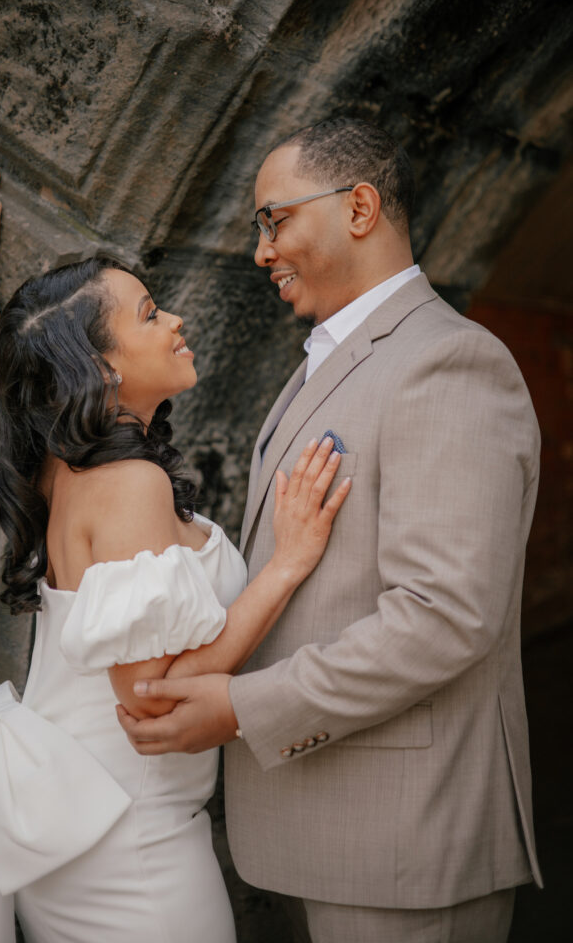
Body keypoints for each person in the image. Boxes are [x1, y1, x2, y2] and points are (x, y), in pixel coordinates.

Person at [116, 117, 543, 943]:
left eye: (274, 220)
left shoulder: (447, 361)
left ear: (358, 208)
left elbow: (443, 616)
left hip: (407, 846)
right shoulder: (333, 357)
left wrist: (241, 707)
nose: (260, 250)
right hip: (333, 828)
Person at [0, 166, 351, 943]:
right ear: (102, 368)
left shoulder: (51, 456)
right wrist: (287, 563)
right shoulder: (127, 485)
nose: (177, 320)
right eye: (151, 314)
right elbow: (150, 698)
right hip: (132, 847)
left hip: (75, 816)